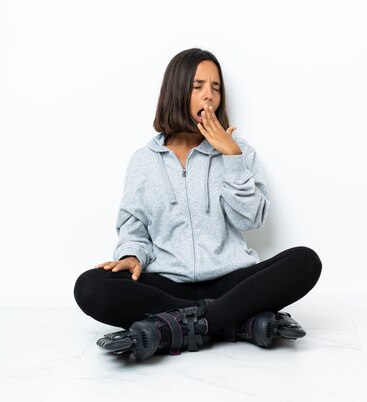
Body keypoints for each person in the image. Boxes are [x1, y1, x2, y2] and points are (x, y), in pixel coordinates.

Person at [73, 48, 322, 361]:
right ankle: (234, 323)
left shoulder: (238, 151)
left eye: (216, 88)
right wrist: (131, 255)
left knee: (305, 261)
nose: (209, 97)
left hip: (231, 282)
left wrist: (232, 158)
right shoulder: (143, 161)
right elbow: (133, 227)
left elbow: (253, 220)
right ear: (177, 92)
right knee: (90, 286)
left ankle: (174, 328)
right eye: (198, 87)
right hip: (167, 286)